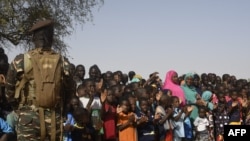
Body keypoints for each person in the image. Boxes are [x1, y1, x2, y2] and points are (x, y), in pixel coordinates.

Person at [5, 19, 72, 141]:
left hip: (28, 119)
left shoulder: (20, 61)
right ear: (51, 38)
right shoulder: (63, 62)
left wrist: (20, 108)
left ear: (33, 38)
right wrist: (61, 110)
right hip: (54, 119)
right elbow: (70, 92)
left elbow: (9, 91)